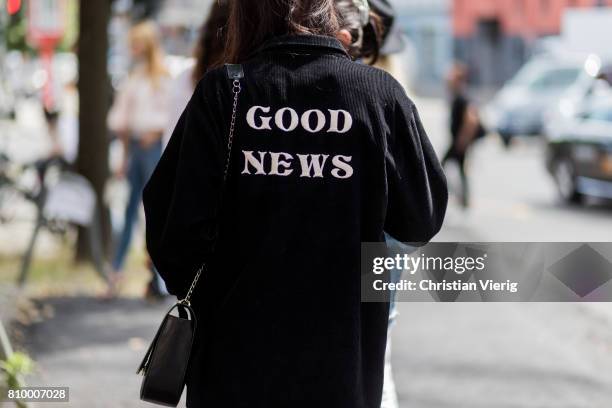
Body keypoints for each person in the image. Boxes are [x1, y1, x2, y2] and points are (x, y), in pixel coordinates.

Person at [143, 1, 448, 406]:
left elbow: (172, 231)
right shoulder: (379, 94)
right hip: (342, 363)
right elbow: (420, 220)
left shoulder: (224, 92)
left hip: (233, 363)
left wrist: (212, 287)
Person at [107, 21, 171, 296]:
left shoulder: (162, 76)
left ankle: (156, 277)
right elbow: (122, 122)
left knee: (154, 212)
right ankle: (116, 274)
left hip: (152, 147)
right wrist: (122, 156)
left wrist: (154, 131)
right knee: (130, 210)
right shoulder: (134, 77)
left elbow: (172, 117)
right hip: (136, 147)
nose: (132, 48)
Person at [442, 63, 483, 209]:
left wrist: (463, 140)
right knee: (458, 169)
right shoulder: (458, 95)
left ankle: (446, 196)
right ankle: (463, 199)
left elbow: (471, 120)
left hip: (459, 142)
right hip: (458, 141)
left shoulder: (463, 96)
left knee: (441, 167)